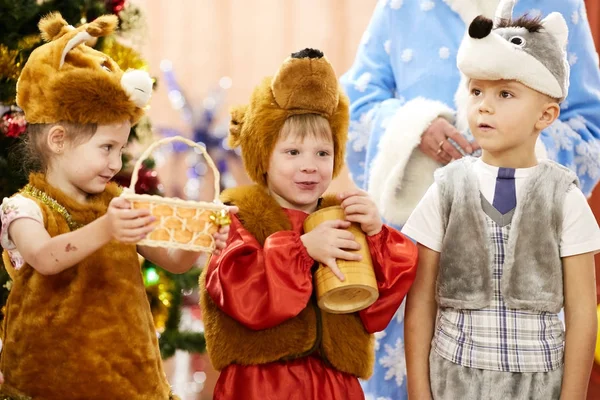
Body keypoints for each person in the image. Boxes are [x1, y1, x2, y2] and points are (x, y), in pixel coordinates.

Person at [340, 0, 600, 397]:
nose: (482, 106)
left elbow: (590, 125)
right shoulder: (401, 6)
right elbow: (355, 103)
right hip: (435, 352)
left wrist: (516, 163)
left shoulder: (560, 198)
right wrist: (414, 127)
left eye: (505, 94)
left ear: (546, 114)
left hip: (537, 370)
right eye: (475, 91)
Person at [0, 13, 231, 399]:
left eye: (121, 149)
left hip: (127, 375)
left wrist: (202, 239)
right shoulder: (25, 208)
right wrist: (107, 228)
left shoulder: (121, 204)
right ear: (58, 139)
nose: (116, 162)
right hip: (53, 380)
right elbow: (44, 257)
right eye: (106, 147)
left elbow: (171, 260)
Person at [199, 48, 418, 400]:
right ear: (263, 156)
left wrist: (376, 236)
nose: (310, 166)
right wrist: (301, 251)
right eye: (292, 152)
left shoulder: (345, 218)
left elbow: (376, 307)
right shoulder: (239, 215)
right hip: (261, 383)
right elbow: (240, 293)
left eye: (322, 153)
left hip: (335, 385)